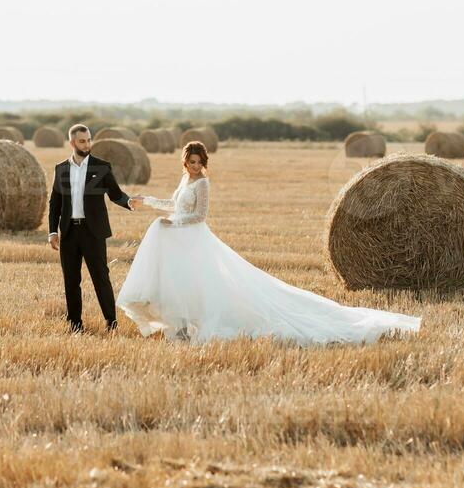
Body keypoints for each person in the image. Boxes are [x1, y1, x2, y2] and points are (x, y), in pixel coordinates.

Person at [117, 141, 422, 345]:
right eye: (191, 161)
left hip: (193, 238)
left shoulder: (203, 183)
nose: (195, 166)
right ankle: (182, 327)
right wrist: (148, 203)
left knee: (208, 285)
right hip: (180, 240)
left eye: (199, 162)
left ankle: (192, 326)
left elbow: (199, 215)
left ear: (204, 163)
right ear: (185, 162)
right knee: (183, 284)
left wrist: (174, 222)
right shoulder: (184, 181)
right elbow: (174, 204)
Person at [48, 124, 144, 333]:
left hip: (93, 233)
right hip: (69, 233)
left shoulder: (101, 167)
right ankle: (75, 325)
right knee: (71, 281)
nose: (87, 144)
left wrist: (128, 202)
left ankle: (111, 323)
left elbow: (115, 193)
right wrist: (53, 231)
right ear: (72, 143)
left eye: (89, 140)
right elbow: (55, 203)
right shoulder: (61, 168)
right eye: (82, 141)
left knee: (101, 278)